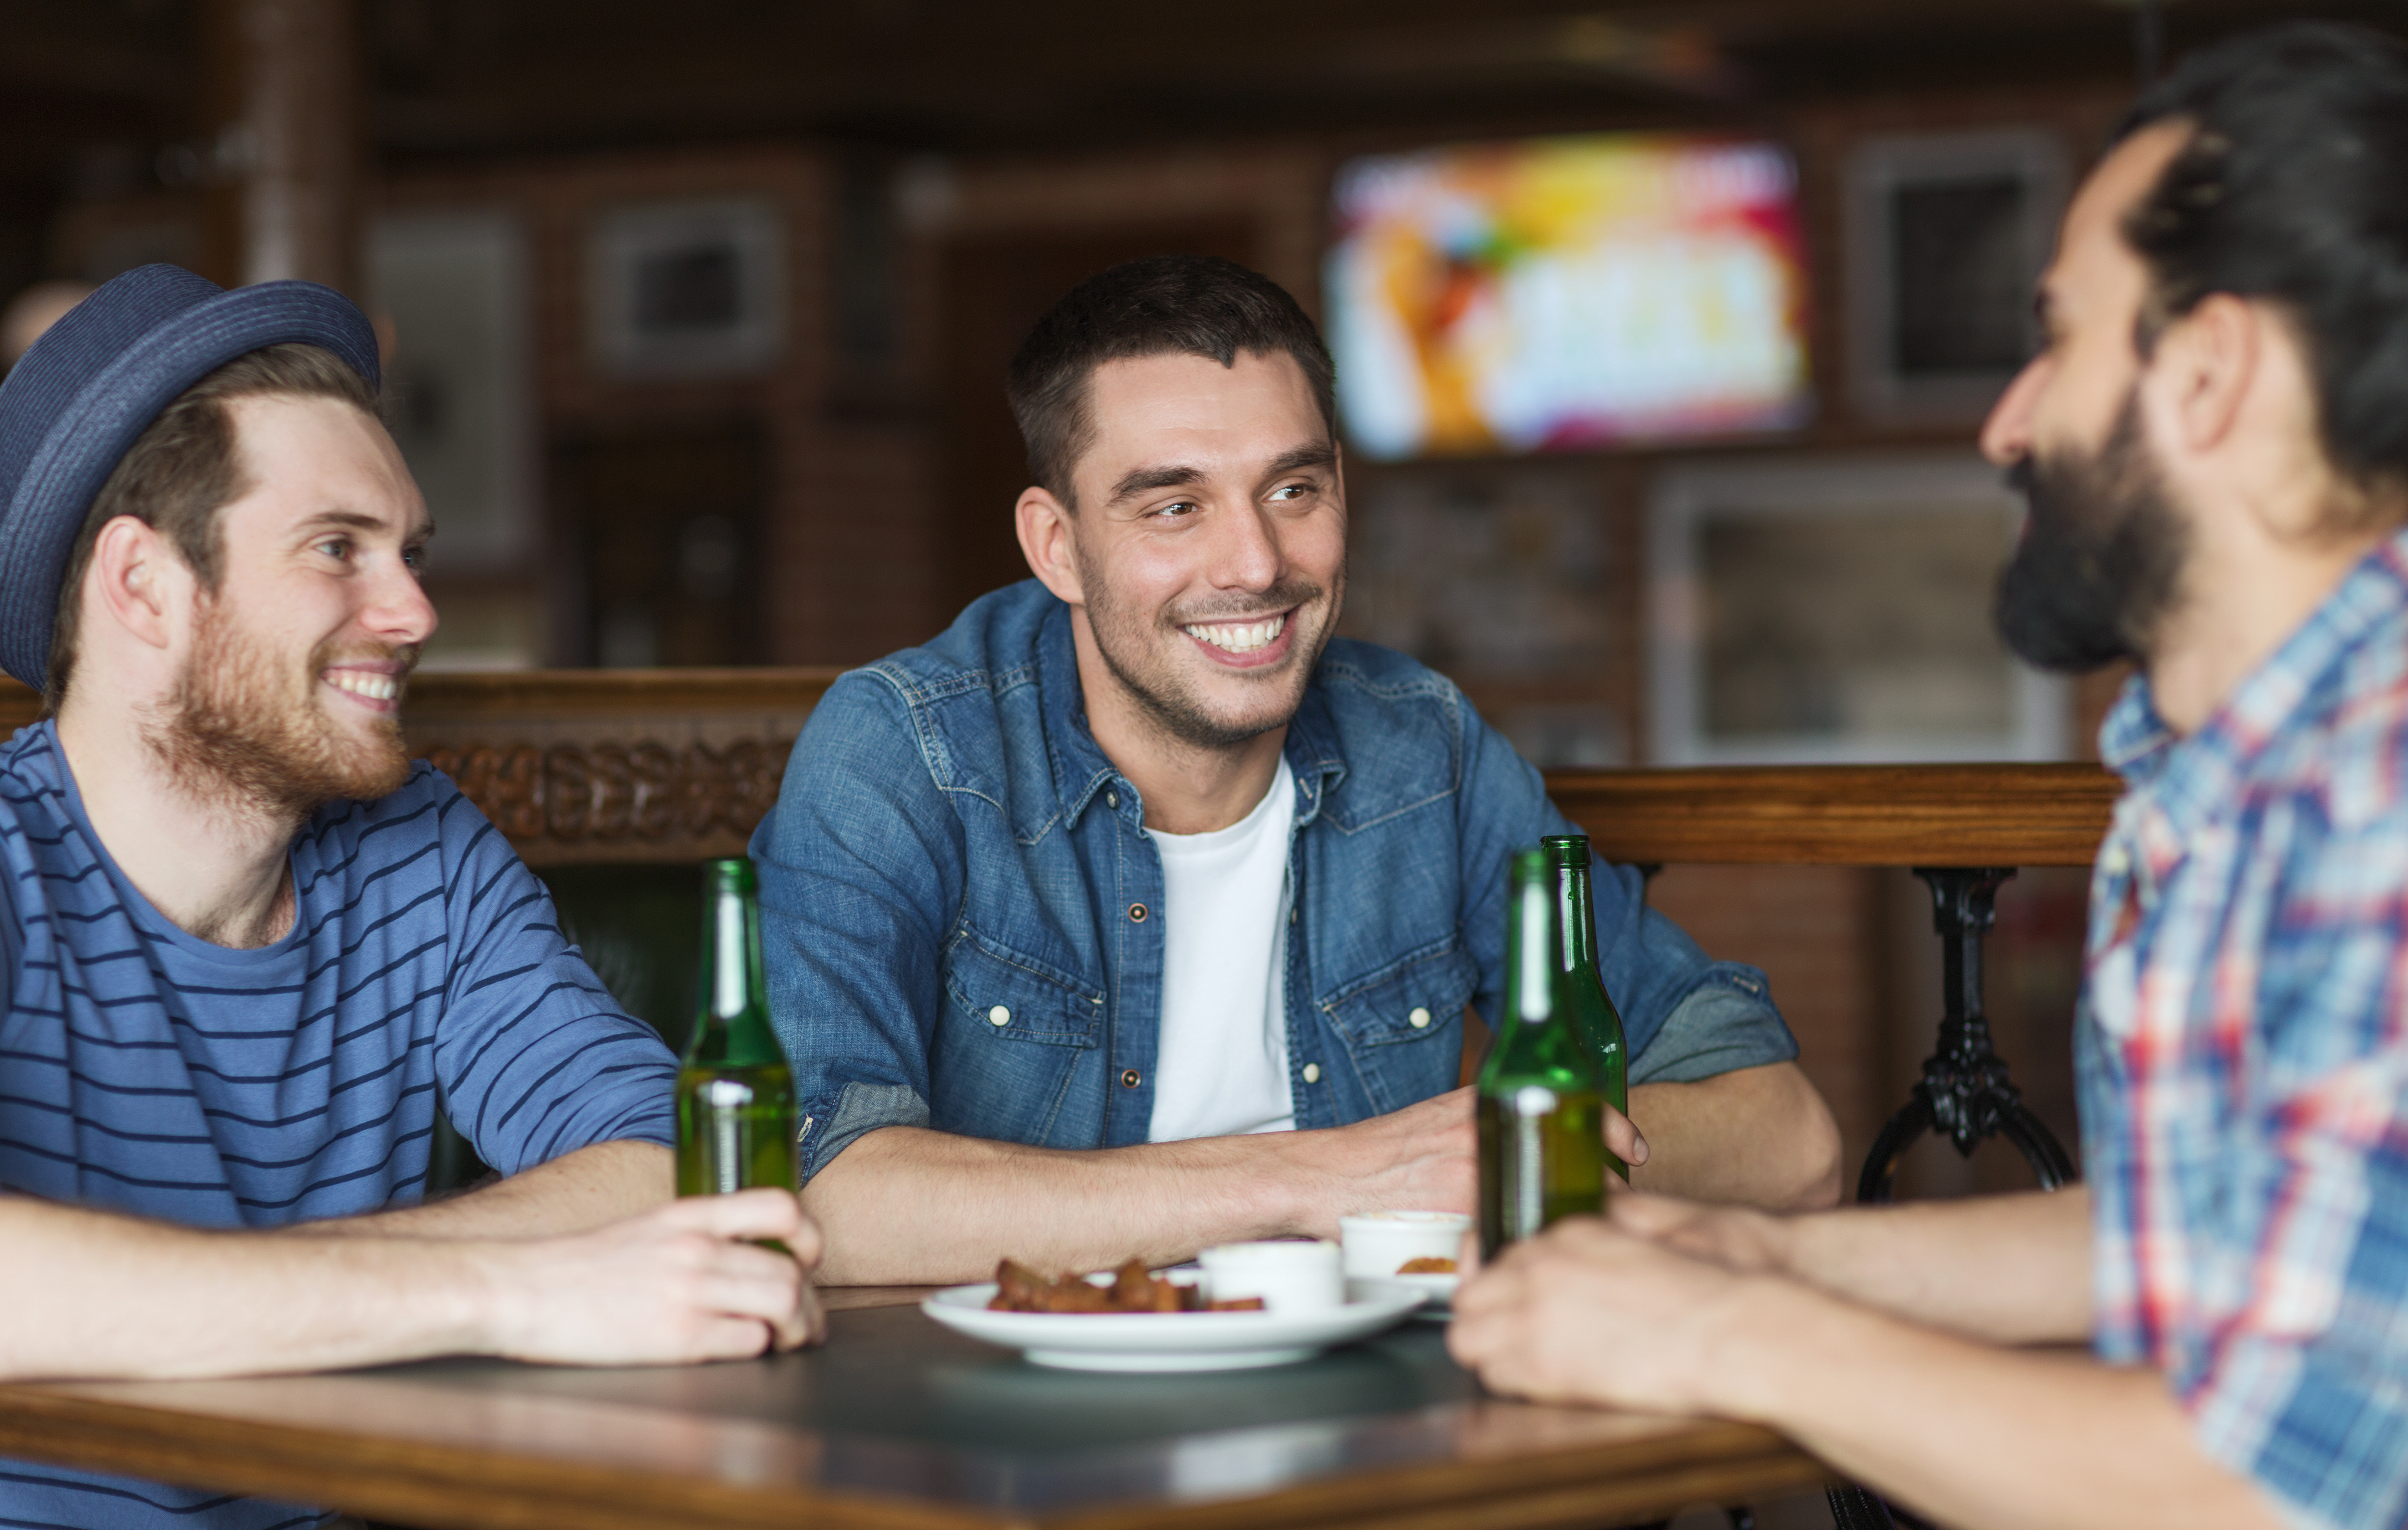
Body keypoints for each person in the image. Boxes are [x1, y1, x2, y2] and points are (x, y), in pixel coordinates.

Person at [1449, 23, 2408, 1530]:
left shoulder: (2373, 798)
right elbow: (2219, 1244)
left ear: (2209, 373)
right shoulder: (2246, 765)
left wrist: (1727, 1334)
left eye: (2059, 339)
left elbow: (2270, 1486)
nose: (2004, 421)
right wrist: (1773, 1259)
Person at [752, 254, 1844, 1286]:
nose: (1255, 564)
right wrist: (1344, 1178)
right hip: (1018, 1433)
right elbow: (809, 1192)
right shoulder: (906, 750)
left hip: (1384, 1411)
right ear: (1054, 547)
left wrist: (1513, 1164)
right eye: (1174, 505)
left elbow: (1786, 1137)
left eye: (1292, 490)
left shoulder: (1422, 748)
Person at [0, 266, 824, 1530]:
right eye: (338, 547)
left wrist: (227, 1297)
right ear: (143, 585)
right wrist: (508, 1293)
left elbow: (661, 1162)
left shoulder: (417, 848)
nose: (416, 610)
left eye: (411, 552)